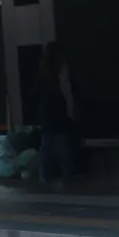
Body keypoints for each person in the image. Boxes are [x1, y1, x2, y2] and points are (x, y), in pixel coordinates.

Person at [35, 42, 78, 184]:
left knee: (47, 147)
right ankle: (66, 175)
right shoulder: (57, 76)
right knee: (62, 149)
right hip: (58, 117)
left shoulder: (44, 75)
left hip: (49, 118)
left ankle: (45, 176)